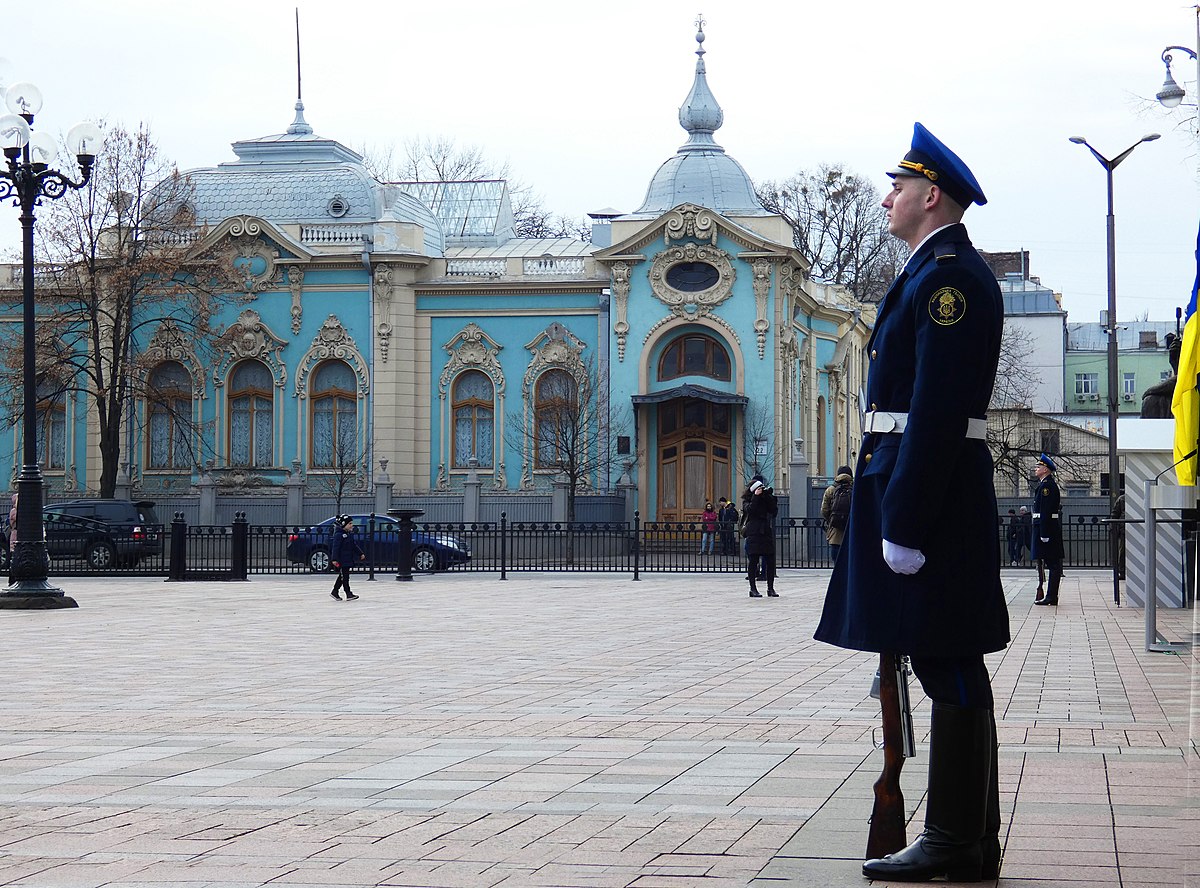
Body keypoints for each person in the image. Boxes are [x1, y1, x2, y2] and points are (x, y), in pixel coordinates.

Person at [814, 123, 1009, 882]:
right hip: (920, 481)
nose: (886, 198)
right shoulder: (931, 271)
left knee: (946, 656)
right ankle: (967, 837)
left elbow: (934, 407)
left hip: (928, 490)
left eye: (898, 186)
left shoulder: (950, 277)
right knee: (946, 657)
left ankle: (956, 839)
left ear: (932, 196)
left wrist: (903, 517)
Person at [1031, 454, 1064, 606]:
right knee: (1051, 562)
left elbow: (1045, 511)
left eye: (1038, 467)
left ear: (1045, 469)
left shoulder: (1047, 487)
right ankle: (1050, 595)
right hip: (1046, 528)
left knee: (1053, 563)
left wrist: (1044, 533)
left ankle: (1051, 596)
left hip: (1047, 529)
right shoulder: (1045, 485)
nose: (1036, 469)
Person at [743, 479, 778, 597]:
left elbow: (773, 511)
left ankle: (770, 588)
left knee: (770, 560)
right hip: (754, 532)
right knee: (753, 560)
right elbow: (750, 510)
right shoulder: (747, 501)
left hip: (765, 531)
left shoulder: (765, 499)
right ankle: (753, 588)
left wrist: (768, 497)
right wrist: (756, 497)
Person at [821, 465, 854, 564]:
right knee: (851, 565)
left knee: (837, 565)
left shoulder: (831, 490)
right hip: (852, 533)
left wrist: (832, 520)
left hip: (835, 535)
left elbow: (824, 510)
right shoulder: (856, 489)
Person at [329, 515, 365, 601]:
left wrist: (360, 553)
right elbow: (335, 547)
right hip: (342, 560)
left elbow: (354, 545)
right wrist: (334, 559)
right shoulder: (339, 535)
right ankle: (348, 593)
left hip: (347, 559)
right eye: (350, 523)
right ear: (344, 524)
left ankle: (335, 591)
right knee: (345, 577)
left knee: (342, 577)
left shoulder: (348, 535)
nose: (351, 525)